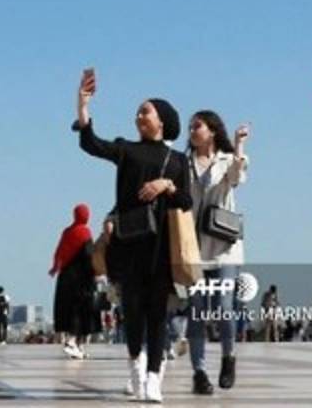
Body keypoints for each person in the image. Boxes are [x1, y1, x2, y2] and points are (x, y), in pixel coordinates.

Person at [73, 69, 192, 403]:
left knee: (157, 314)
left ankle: (154, 378)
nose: (139, 116)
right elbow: (93, 144)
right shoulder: (127, 150)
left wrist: (167, 185)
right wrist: (83, 107)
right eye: (138, 112)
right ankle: (136, 366)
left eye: (146, 111)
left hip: (160, 247)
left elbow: (186, 201)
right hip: (128, 244)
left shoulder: (177, 161)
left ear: (162, 121)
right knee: (134, 311)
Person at [184, 111, 250, 395]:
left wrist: (239, 145)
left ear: (211, 131)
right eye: (190, 127)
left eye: (197, 126)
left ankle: (228, 357)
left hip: (224, 248)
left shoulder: (227, 159)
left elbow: (236, 178)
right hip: (194, 248)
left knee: (224, 308)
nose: (192, 131)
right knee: (197, 312)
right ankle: (199, 372)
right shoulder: (183, 163)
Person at [50, 203, 99, 360]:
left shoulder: (67, 232)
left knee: (69, 310)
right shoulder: (85, 232)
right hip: (81, 279)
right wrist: (96, 273)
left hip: (66, 277)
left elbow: (59, 251)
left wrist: (55, 267)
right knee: (81, 311)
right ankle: (73, 343)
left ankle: (78, 346)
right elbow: (89, 256)